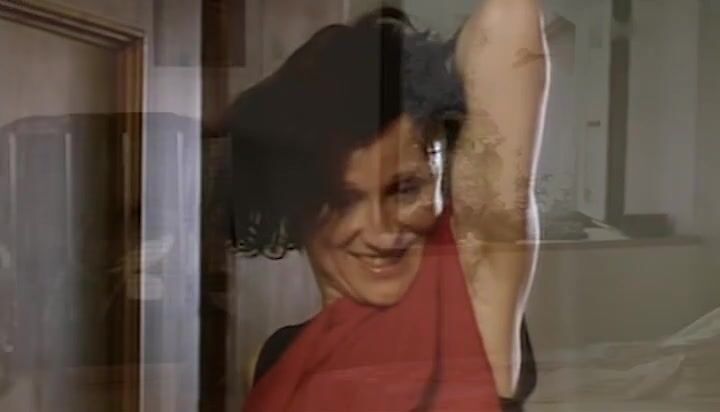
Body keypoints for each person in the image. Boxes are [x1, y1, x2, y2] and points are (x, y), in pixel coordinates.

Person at [224, 1, 547, 410]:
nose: (380, 232)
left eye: (406, 189)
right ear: (294, 203)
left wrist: (424, 74)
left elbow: (507, 21)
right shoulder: (269, 361)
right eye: (344, 199)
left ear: (441, 179)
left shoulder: (473, 301)